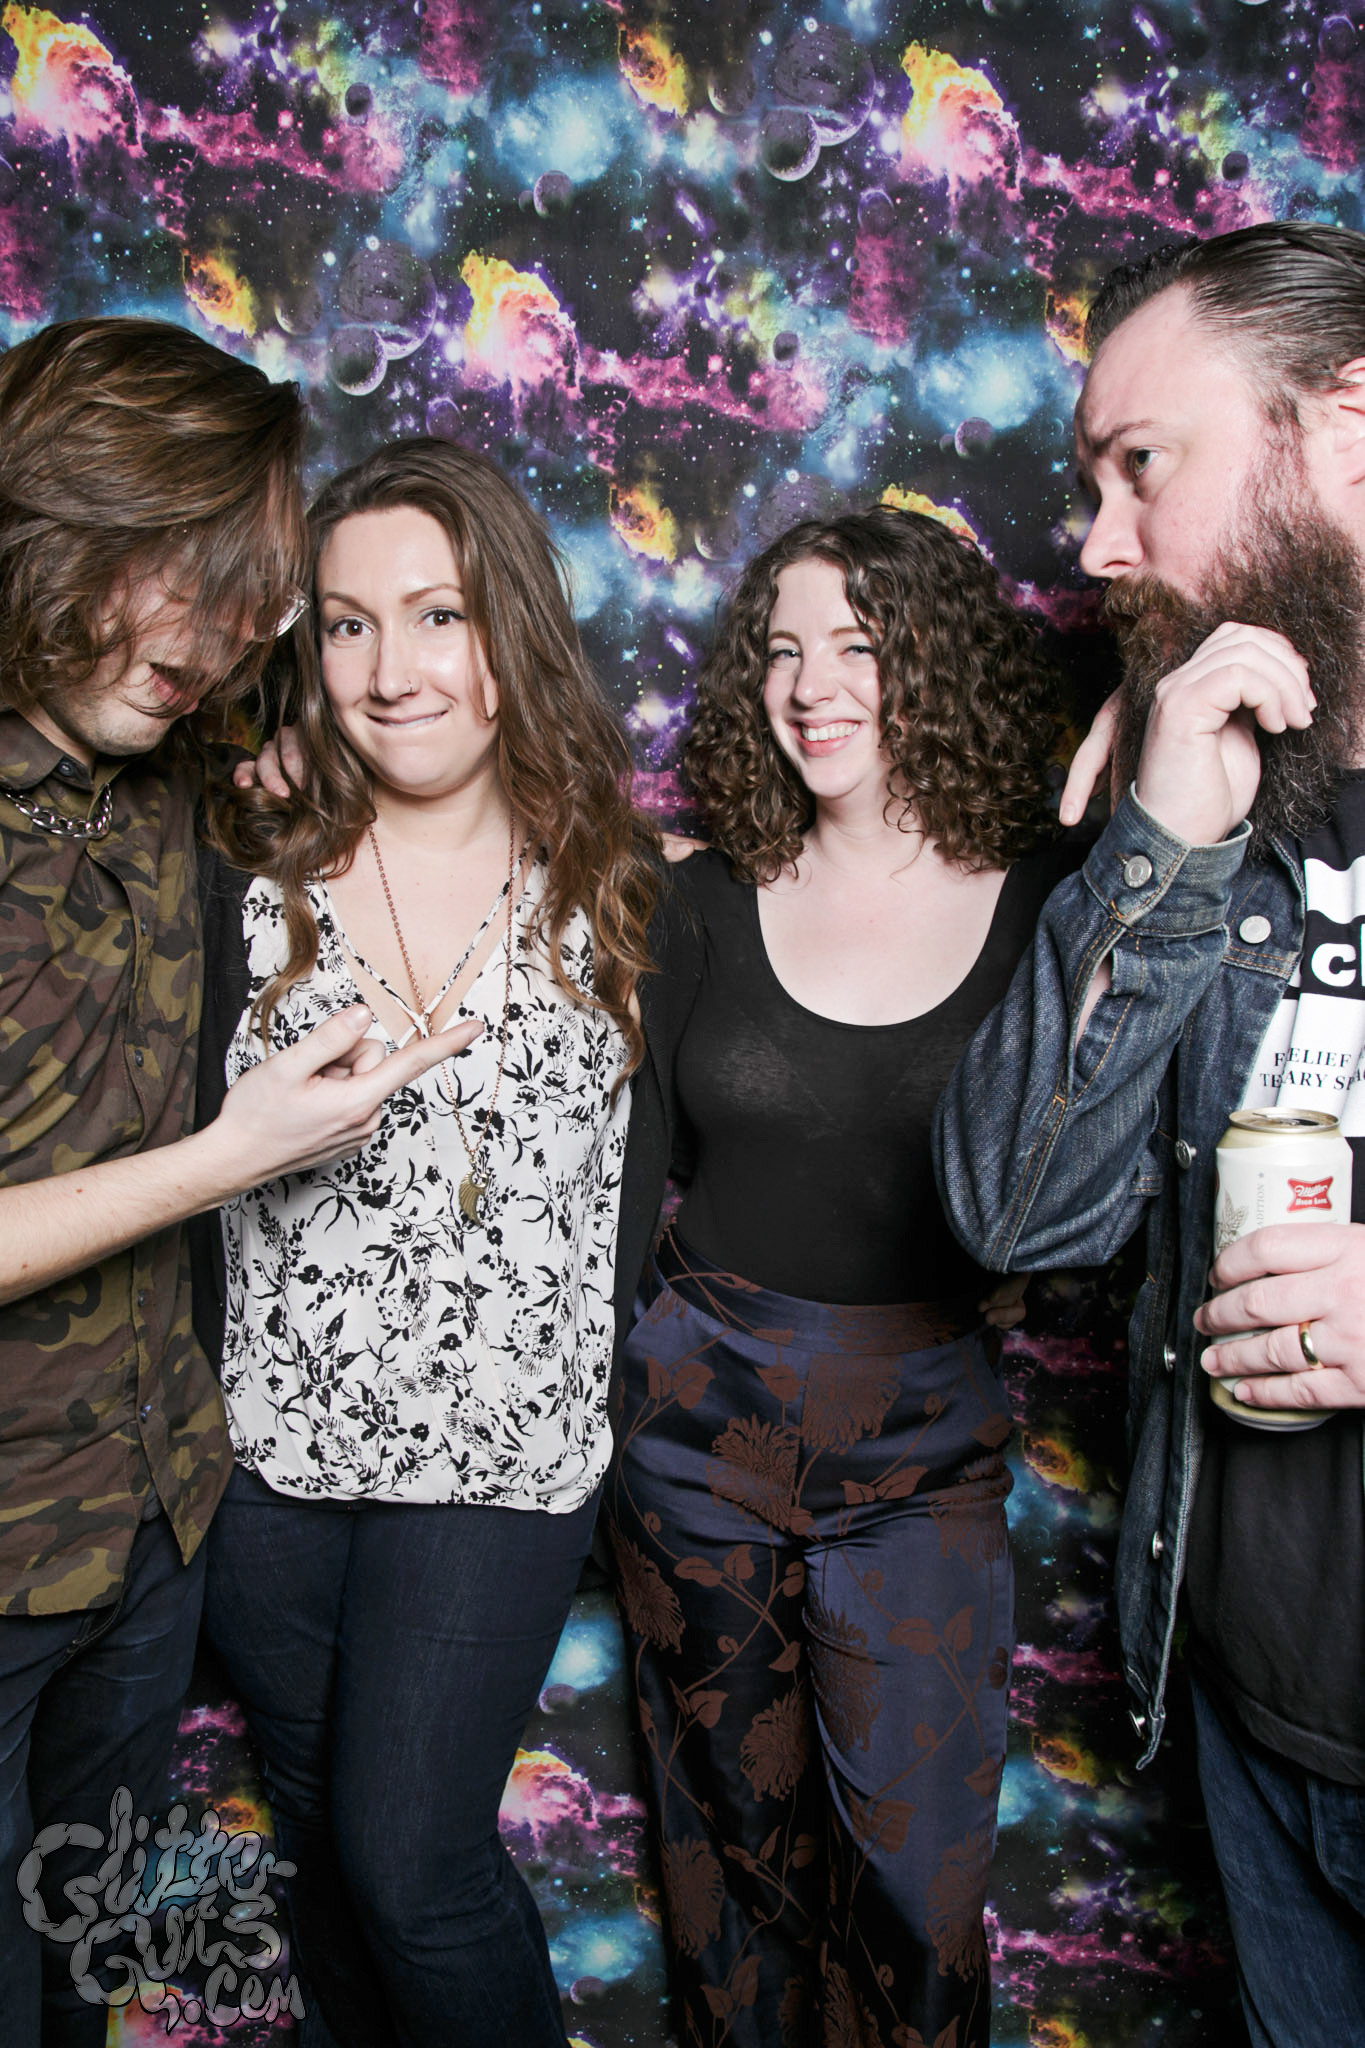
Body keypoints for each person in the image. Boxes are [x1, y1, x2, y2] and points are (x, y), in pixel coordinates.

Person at [0, 321, 479, 2048]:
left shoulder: (173, 750)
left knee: (84, 1979)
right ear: (56, 524)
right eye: (180, 582)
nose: (212, 645)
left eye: (245, 601)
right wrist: (231, 1161)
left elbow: (427, 706)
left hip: (148, 1529)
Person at [193, 436, 689, 2048]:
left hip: (498, 1458)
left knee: (411, 1860)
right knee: (322, 1843)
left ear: (509, 627)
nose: (389, 670)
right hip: (266, 1462)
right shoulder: (235, 874)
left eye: (436, 615)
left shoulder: (633, 896)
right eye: (347, 625)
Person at [935, 222, 1365, 2044]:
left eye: (1141, 466)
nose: (1098, 546)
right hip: (1262, 1723)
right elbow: (1016, 1211)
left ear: (1344, 428)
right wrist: (1159, 853)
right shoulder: (1204, 803)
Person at [607, 505, 1074, 2047]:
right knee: (730, 1857)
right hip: (696, 1425)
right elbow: (633, 1176)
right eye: (782, 650)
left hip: (922, 1436)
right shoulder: (697, 898)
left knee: (915, 1887)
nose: (811, 687)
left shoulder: (1050, 900)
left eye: (857, 647)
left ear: (934, 662)